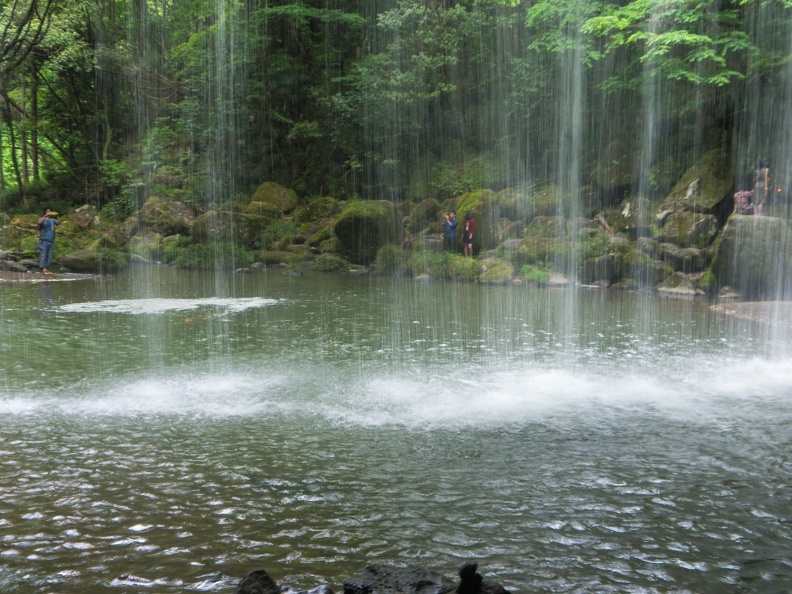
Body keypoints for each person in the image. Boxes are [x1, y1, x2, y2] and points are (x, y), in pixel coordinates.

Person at [37, 207, 59, 274]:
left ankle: (46, 268)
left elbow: (59, 223)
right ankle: (43, 269)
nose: (48, 212)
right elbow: (39, 222)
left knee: (49, 256)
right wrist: (44, 216)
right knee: (43, 255)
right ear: (45, 212)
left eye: (49, 211)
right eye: (47, 211)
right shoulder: (41, 219)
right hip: (43, 240)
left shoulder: (52, 220)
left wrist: (57, 216)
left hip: (51, 240)